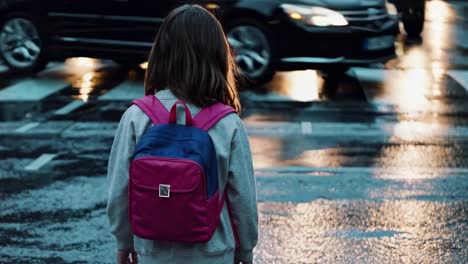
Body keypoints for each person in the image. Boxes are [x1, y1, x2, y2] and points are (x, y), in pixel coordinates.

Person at [106, 4, 258, 264]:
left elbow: (119, 189)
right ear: (218, 56)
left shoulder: (137, 116)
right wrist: (245, 249)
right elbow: (242, 197)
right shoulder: (228, 123)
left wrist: (124, 242)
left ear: (161, 55)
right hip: (214, 252)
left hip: (153, 251)